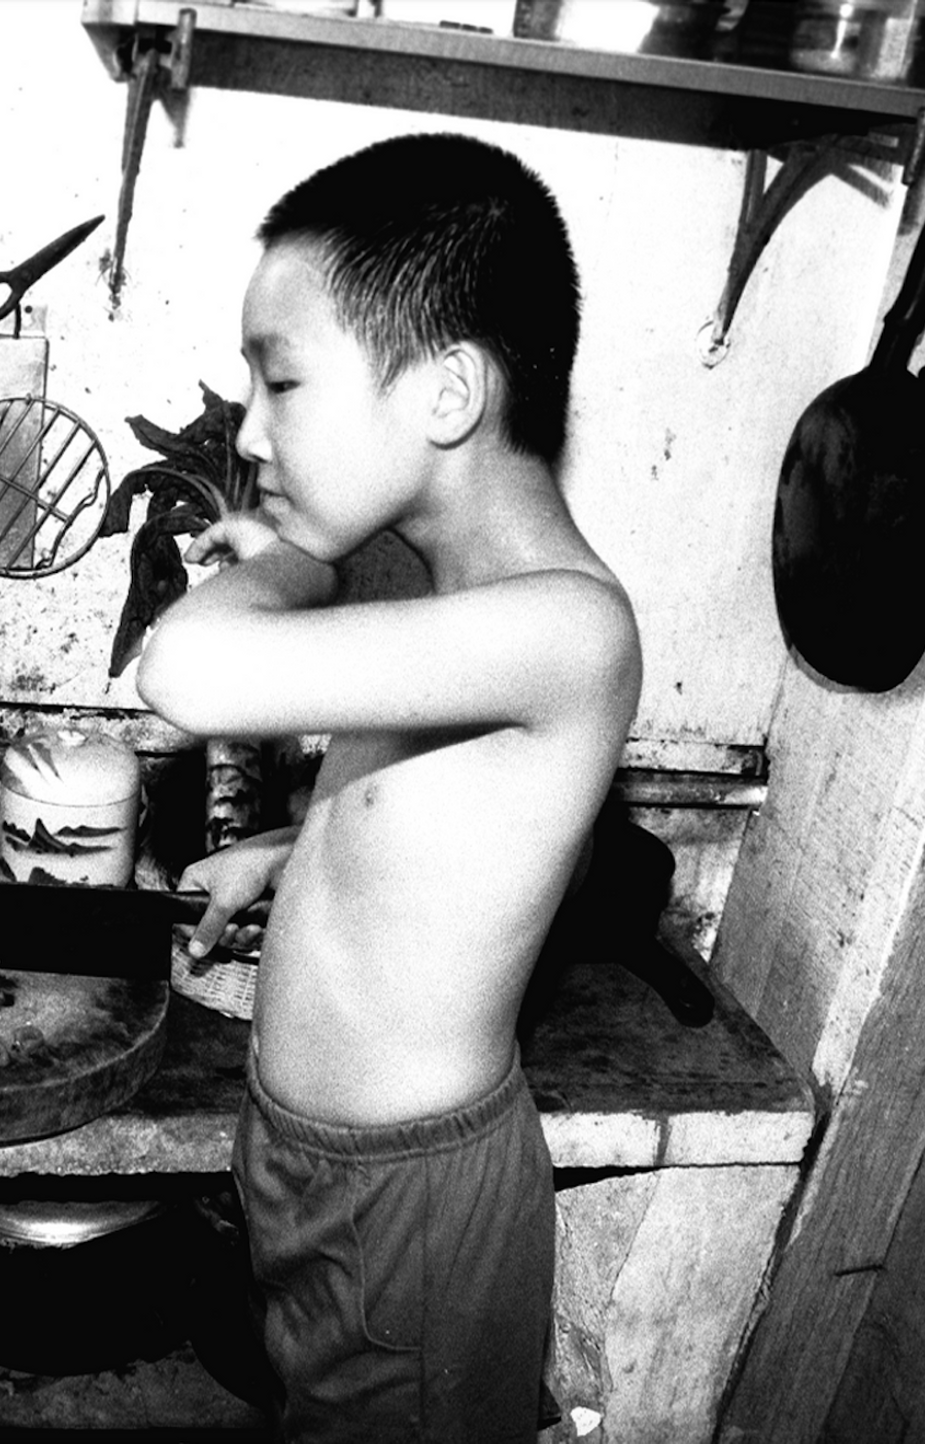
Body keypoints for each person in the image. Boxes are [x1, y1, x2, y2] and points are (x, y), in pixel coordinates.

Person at [135, 131, 642, 1442]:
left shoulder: (567, 629)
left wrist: (298, 543)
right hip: (307, 1155)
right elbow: (420, 795)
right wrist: (293, 855)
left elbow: (186, 670)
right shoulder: (435, 583)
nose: (250, 432)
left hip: (406, 1204)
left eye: (280, 379)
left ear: (442, 394)